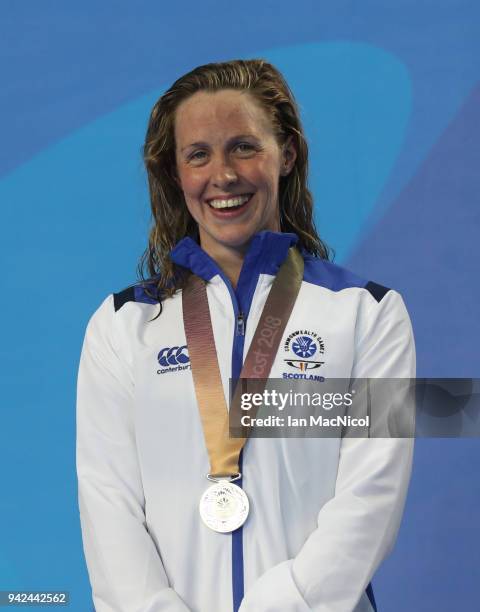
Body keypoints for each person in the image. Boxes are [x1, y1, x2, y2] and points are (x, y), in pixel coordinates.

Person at [76, 59, 415, 612]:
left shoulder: (369, 315)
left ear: (287, 153)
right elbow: (106, 499)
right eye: (198, 154)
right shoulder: (121, 327)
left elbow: (371, 497)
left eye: (244, 147)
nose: (223, 175)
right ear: (173, 172)